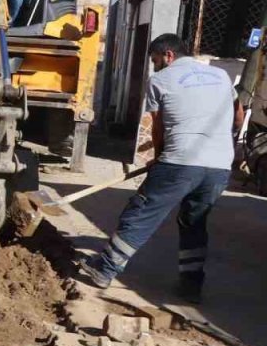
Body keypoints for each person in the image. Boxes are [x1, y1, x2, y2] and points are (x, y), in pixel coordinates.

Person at [79, 35, 244, 303]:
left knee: (141, 213)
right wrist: (218, 144)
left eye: (155, 61)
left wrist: (159, 157)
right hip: (219, 167)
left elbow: (157, 127)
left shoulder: (160, 80)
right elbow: (237, 117)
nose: (154, 67)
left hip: (180, 161)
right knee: (194, 221)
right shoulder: (222, 76)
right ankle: (191, 287)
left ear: (168, 55)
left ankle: (105, 268)